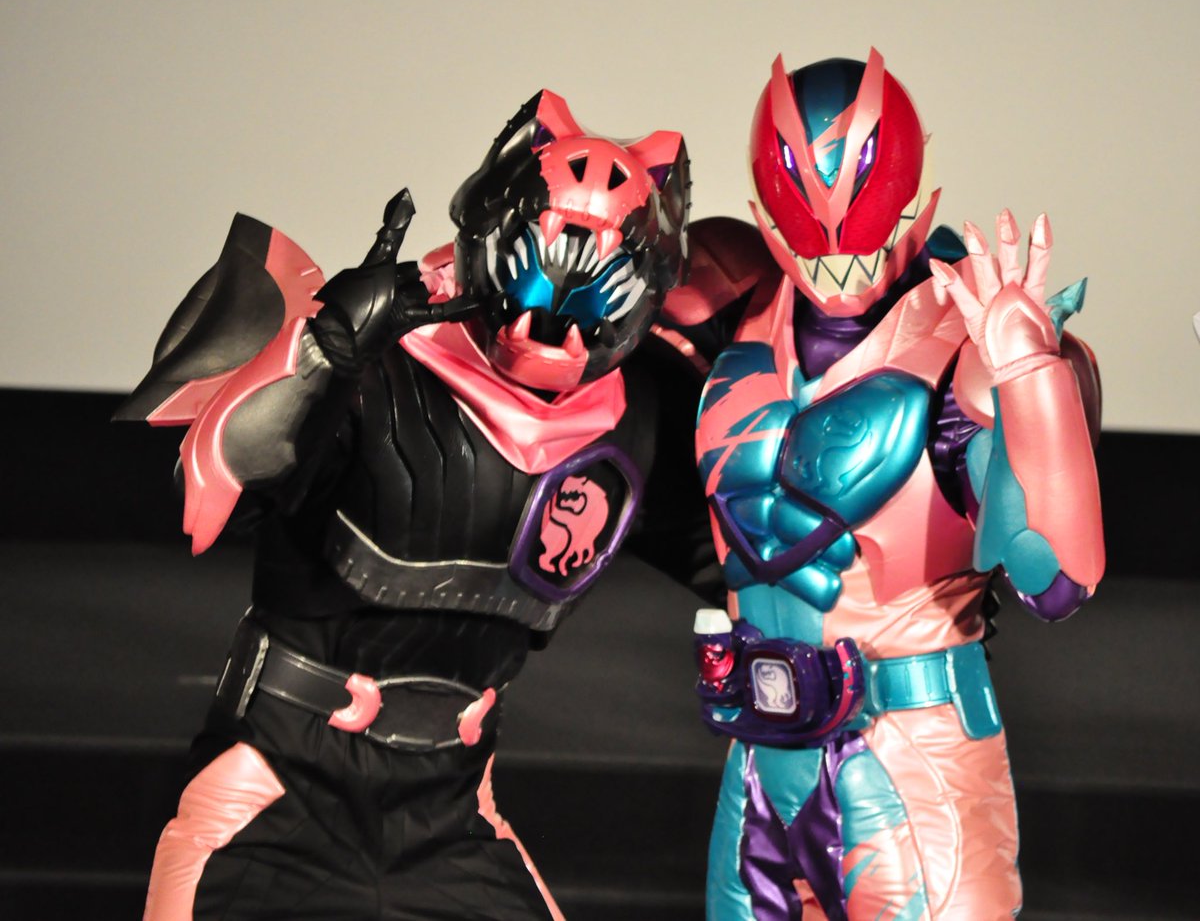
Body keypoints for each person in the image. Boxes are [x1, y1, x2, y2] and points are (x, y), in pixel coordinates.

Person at [119, 89, 701, 920]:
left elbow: (744, 557)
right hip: (275, 794)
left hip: (453, 815)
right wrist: (323, 353)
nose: (552, 327)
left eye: (592, 298)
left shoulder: (639, 409)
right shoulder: (377, 348)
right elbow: (213, 492)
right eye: (536, 279)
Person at [688, 50, 1104, 919]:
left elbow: (1058, 581)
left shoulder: (962, 350)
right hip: (762, 760)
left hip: (915, 760)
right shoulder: (738, 315)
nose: (837, 257)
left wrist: (1027, 371)